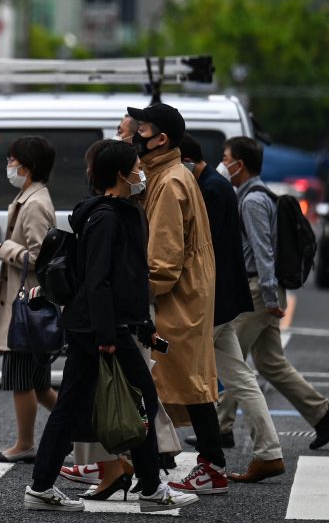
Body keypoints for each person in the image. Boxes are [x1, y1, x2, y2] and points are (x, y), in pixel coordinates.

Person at [24, 140, 198, 514]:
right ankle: (151, 490)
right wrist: (108, 335)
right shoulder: (105, 216)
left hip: (104, 324)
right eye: (137, 166)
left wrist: (144, 325)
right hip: (100, 327)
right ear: (121, 174)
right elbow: (98, 281)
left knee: (70, 405)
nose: (142, 172)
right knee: (143, 400)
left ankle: (40, 487)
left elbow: (130, 279)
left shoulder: (122, 211)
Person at [218, 136, 329, 451]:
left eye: (226, 157)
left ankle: (220, 427)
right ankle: (323, 414)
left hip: (259, 291)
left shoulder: (252, 201)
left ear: (240, 164)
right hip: (263, 289)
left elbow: (263, 252)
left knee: (230, 358)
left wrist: (271, 299)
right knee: (271, 363)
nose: (224, 163)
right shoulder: (253, 195)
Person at [126, 103, 227, 496]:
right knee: (188, 382)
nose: (137, 135)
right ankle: (189, 463)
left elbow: (164, 260)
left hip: (177, 298)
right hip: (188, 293)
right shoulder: (173, 174)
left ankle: (206, 465)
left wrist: (141, 294)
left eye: (142, 129)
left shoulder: (168, 182)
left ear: (161, 138)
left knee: (180, 383)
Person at [178, 134, 285, 482]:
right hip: (224, 298)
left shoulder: (211, 190)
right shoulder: (220, 187)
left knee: (180, 370)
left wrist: (270, 296)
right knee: (240, 377)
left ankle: (164, 453)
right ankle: (269, 452)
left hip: (211, 297)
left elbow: (206, 248)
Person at [0, 136, 58, 463]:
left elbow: (40, 256)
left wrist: (5, 249)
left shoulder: (35, 203)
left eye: (12, 160)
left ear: (26, 167)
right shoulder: (30, 197)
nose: (9, 166)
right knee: (40, 385)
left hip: (27, 306)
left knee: (21, 380)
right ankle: (86, 429)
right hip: (31, 302)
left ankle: (25, 444)